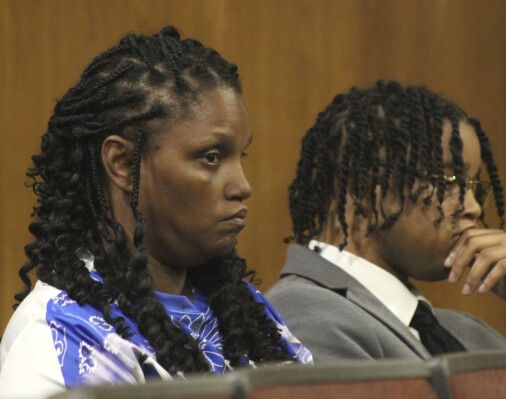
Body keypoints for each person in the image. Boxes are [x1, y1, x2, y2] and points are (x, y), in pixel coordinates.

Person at [0, 26, 311, 398]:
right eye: (211, 158)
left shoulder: (244, 308)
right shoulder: (63, 333)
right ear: (121, 162)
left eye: (238, 156)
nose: (242, 186)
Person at [267, 80, 506, 362]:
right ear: (366, 188)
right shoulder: (301, 317)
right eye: (447, 179)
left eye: (473, 186)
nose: (473, 208)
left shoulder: (470, 334)